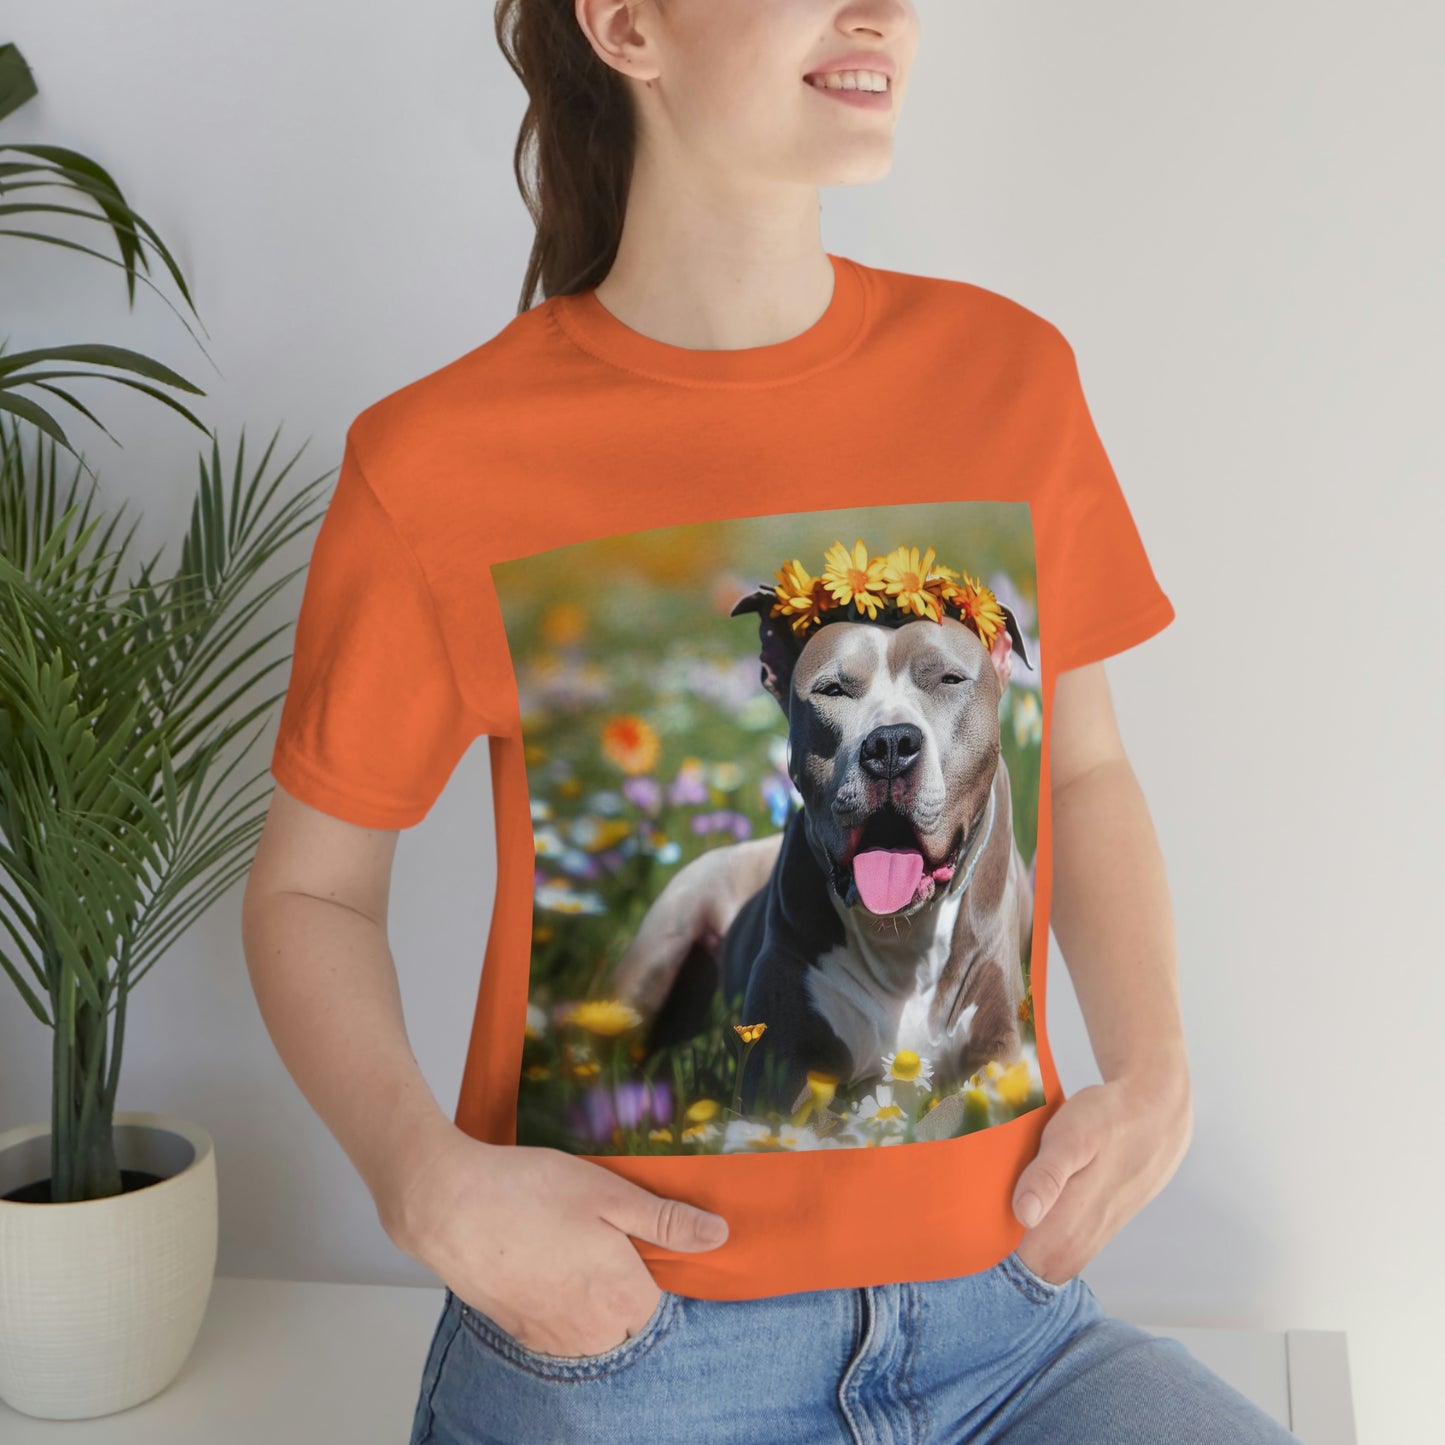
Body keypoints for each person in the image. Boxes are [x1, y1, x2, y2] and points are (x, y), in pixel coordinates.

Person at [241, 2, 1302, 1441]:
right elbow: (310, 888)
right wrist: (418, 1173)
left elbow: (1091, 767)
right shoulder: (434, 460)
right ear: (625, 25)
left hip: (1008, 1331)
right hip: (628, 1356)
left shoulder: (1007, 379)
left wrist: (1160, 1070)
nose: (879, 12)